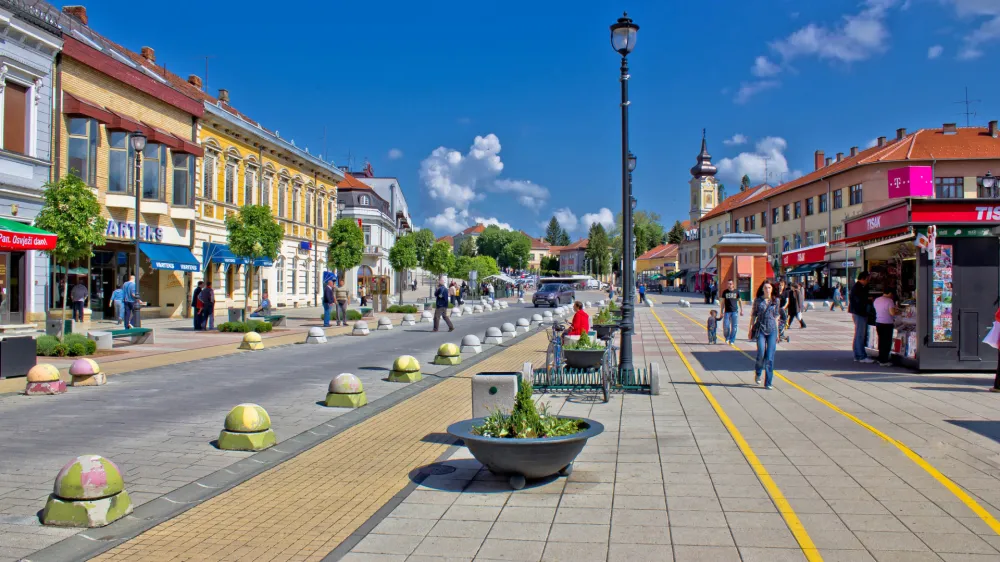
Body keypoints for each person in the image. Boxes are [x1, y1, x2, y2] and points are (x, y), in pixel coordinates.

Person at [750, 279, 782, 389]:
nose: (767, 290)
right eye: (765, 288)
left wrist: (778, 333)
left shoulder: (776, 301)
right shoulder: (758, 300)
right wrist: (750, 329)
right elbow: (753, 315)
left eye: (769, 288)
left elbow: (776, 316)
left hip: (772, 329)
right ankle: (758, 372)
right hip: (761, 329)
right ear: (762, 289)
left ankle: (768, 382)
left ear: (772, 289)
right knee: (761, 353)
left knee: (769, 357)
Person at [849, 271, 873, 363]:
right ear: (864, 278)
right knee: (860, 334)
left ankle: (857, 355)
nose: (869, 281)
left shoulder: (859, 286)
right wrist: (868, 299)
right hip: (859, 313)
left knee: (858, 334)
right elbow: (859, 300)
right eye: (868, 279)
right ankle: (860, 356)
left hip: (858, 312)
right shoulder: (858, 288)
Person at [873, 289, 897, 366]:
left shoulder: (877, 300)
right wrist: (897, 311)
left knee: (881, 341)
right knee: (887, 342)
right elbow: (892, 313)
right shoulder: (889, 301)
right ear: (890, 293)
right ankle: (884, 360)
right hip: (887, 323)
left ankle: (880, 358)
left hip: (878, 322)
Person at [720, 279, 743, 345]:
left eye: (730, 284)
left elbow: (740, 301)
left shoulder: (737, 292)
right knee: (726, 326)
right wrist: (721, 311)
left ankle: (732, 340)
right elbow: (722, 302)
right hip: (727, 312)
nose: (729, 285)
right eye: (728, 284)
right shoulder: (725, 292)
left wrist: (741, 310)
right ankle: (727, 338)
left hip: (734, 312)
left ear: (733, 284)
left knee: (734, 327)